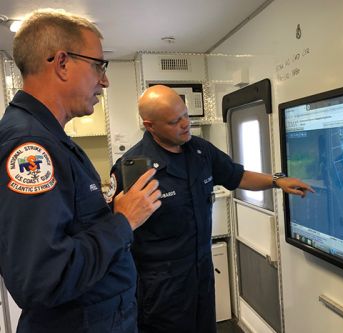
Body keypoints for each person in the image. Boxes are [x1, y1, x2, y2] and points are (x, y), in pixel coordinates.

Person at [0, 9, 162, 333]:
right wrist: (123, 221)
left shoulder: (52, 139)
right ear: (62, 63)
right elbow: (43, 278)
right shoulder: (31, 147)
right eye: (98, 66)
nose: (104, 80)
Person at [107, 84, 314, 333]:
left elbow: (237, 176)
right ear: (150, 125)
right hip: (160, 288)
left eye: (186, 115)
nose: (186, 124)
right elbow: (116, 234)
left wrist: (276, 181)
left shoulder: (200, 151)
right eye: (175, 121)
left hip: (201, 277)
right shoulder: (133, 168)